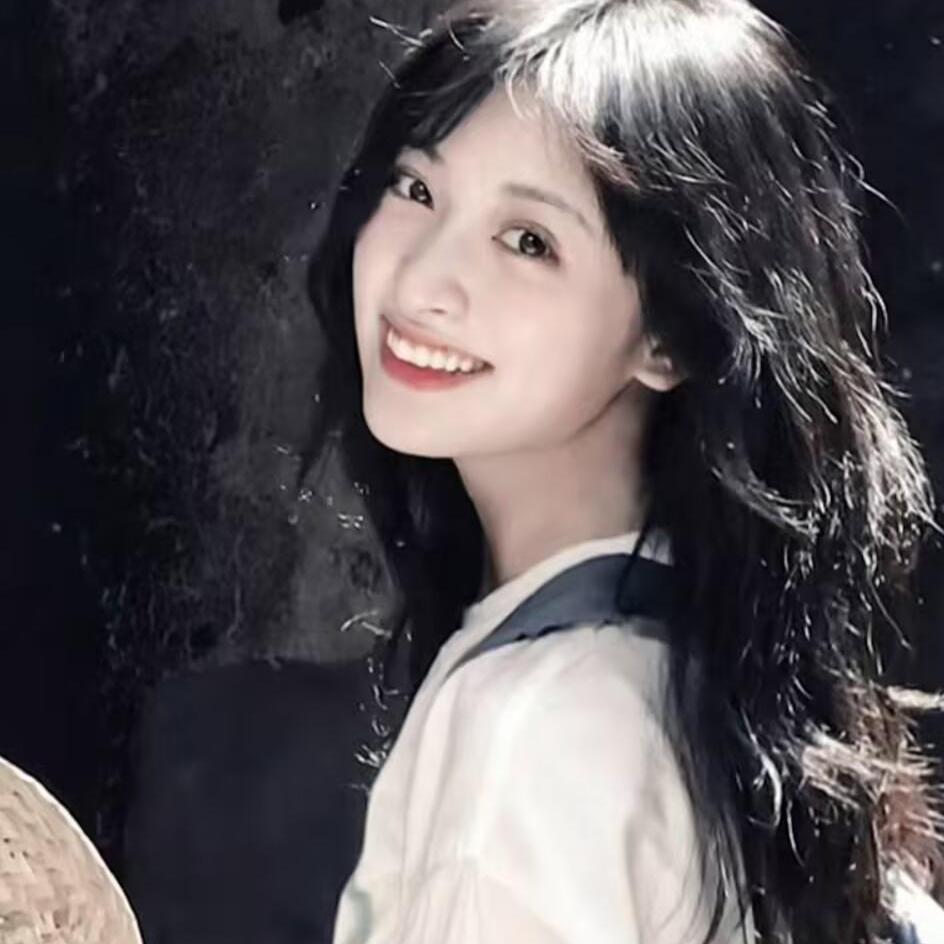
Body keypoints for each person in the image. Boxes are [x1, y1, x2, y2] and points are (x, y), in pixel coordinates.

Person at [303, 0, 944, 940]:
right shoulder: (703, 679)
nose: (422, 282)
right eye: (416, 188)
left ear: (671, 334)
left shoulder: (536, 730)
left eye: (529, 241)